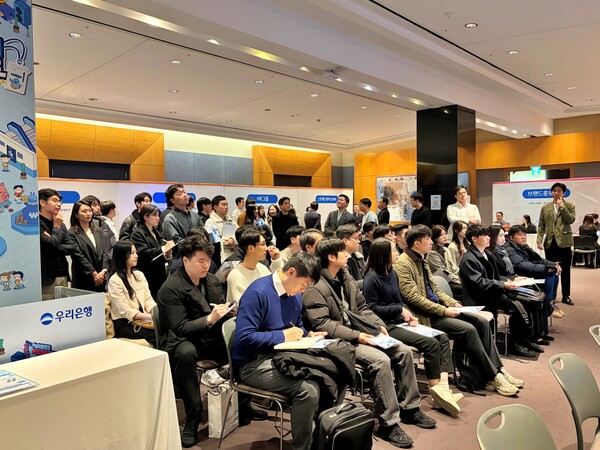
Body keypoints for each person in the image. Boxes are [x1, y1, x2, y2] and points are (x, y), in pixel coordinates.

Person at [303, 238, 436, 448]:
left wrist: (378, 325)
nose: (348, 255)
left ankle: (410, 409)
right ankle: (388, 424)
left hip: (359, 333)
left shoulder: (346, 278)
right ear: (331, 257)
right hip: (337, 342)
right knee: (381, 360)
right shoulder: (315, 287)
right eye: (343, 252)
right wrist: (358, 336)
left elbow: (363, 307)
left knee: (403, 350)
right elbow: (323, 324)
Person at [394, 225, 523, 397]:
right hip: (425, 316)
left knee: (481, 322)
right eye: (428, 239)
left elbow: (435, 290)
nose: (431, 242)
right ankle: (492, 375)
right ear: (417, 243)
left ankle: (498, 369)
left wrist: (453, 302)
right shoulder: (404, 264)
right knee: (468, 329)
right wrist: (444, 310)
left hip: (438, 310)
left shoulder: (422, 259)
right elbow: (413, 298)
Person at [233, 252, 324, 450]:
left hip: (282, 356)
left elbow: (295, 327)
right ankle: (303, 447)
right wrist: (282, 336)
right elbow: (244, 338)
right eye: (304, 284)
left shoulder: (294, 294)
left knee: (331, 371)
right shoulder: (257, 293)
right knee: (308, 390)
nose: (304, 290)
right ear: (291, 272)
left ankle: (324, 438)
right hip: (252, 363)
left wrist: (307, 335)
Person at [364, 238, 461, 416]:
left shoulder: (392, 273)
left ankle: (444, 390)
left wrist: (408, 314)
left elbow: (399, 301)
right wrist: (399, 310)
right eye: (394, 251)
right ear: (383, 255)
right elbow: (371, 309)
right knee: (431, 344)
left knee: (442, 337)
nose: (397, 254)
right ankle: (436, 394)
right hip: (386, 326)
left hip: (400, 321)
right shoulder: (371, 278)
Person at [157, 236, 235, 447]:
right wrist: (210, 318)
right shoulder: (170, 288)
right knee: (186, 353)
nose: (206, 265)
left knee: (239, 340)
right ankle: (193, 416)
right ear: (185, 260)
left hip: (209, 335)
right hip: (182, 339)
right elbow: (180, 327)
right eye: (200, 261)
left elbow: (216, 309)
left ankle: (242, 401)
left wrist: (227, 311)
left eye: (208, 260)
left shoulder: (211, 280)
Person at [458, 225, 536, 358]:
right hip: (479, 298)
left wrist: (511, 279)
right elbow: (479, 283)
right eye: (485, 235)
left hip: (492, 293)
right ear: (474, 239)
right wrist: (503, 284)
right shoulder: (469, 259)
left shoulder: (487, 253)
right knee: (518, 307)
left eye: (488, 235)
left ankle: (526, 340)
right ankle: (516, 344)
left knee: (528, 302)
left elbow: (495, 276)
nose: (489, 238)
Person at [489, 226, 552, 346]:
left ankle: (537, 335)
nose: (503, 239)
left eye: (503, 235)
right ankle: (522, 341)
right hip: (500, 289)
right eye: (500, 236)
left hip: (509, 283)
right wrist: (511, 279)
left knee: (538, 294)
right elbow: (493, 277)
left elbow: (508, 271)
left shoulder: (501, 251)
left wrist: (515, 277)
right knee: (528, 301)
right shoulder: (491, 253)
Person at [505, 225, 563, 320]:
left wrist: (553, 265)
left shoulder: (524, 246)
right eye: (520, 235)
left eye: (525, 235)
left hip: (528, 272)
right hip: (519, 276)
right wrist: (546, 269)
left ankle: (552, 301)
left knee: (554, 272)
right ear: (511, 237)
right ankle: (548, 306)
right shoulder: (509, 249)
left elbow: (539, 259)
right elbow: (521, 266)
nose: (523, 237)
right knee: (549, 274)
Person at [107, 240, 157, 346]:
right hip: (125, 323)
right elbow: (126, 311)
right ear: (122, 256)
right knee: (158, 334)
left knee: (168, 328)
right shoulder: (115, 281)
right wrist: (150, 317)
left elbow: (148, 299)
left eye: (136, 252)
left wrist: (157, 313)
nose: (136, 256)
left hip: (144, 318)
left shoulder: (139, 275)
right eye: (132, 253)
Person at [536, 182, 576, 306]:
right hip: (550, 242)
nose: (556, 193)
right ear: (551, 192)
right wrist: (539, 239)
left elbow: (571, 220)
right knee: (551, 269)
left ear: (563, 193)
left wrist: (562, 207)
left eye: (559, 191)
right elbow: (541, 225)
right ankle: (550, 295)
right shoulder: (545, 208)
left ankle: (566, 295)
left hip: (564, 242)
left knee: (565, 270)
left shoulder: (569, 206)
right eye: (554, 191)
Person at [226, 227, 282, 304]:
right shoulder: (235, 275)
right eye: (263, 244)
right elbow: (243, 306)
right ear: (251, 248)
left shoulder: (262, 268)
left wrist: (276, 260)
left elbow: (278, 285)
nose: (266, 248)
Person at [130, 204, 174, 299]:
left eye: (158, 215)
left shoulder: (156, 232)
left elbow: (161, 251)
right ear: (145, 217)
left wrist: (167, 254)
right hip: (147, 274)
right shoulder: (137, 233)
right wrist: (163, 249)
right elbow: (143, 254)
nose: (158, 218)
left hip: (160, 273)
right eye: (154, 215)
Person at [65, 200, 110, 292]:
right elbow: (78, 255)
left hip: (101, 276)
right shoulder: (71, 233)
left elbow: (105, 251)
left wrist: (103, 271)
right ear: (76, 215)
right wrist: (93, 273)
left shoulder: (97, 230)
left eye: (90, 211)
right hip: (83, 277)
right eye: (84, 211)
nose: (88, 213)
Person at [39, 188, 70, 300]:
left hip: (62, 273)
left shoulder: (61, 223)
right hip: (46, 277)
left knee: (64, 307)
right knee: (47, 307)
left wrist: (54, 243)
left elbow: (71, 247)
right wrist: (56, 227)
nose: (59, 204)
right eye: (55, 200)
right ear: (42, 202)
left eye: (59, 201)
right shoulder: (36, 223)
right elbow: (51, 244)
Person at [426, 225, 462, 300]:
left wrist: (462, 278)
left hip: (450, 279)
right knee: (465, 288)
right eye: (442, 235)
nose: (445, 236)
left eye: (446, 234)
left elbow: (454, 267)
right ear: (435, 238)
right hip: (442, 282)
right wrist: (459, 281)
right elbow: (444, 272)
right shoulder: (432, 254)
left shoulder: (446, 249)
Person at [205, 195, 238, 265]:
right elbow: (214, 241)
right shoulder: (210, 222)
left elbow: (240, 234)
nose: (226, 207)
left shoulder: (231, 221)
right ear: (215, 207)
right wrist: (228, 242)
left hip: (233, 255)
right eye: (223, 205)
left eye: (227, 205)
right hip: (219, 256)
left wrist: (233, 240)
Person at [336, 224, 365, 288]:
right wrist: (369, 281)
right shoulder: (339, 261)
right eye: (356, 238)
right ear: (345, 241)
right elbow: (348, 284)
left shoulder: (359, 257)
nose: (358, 241)